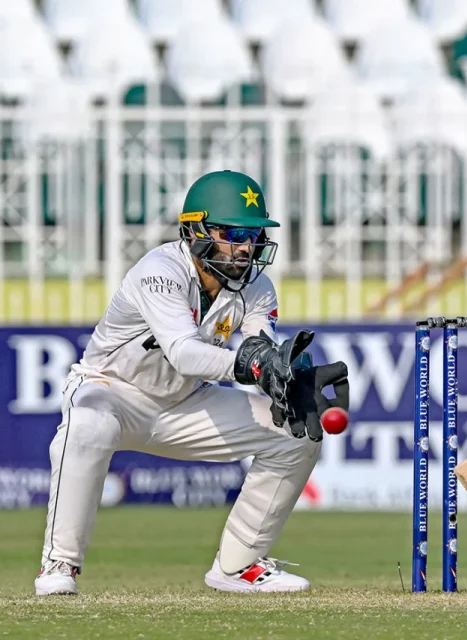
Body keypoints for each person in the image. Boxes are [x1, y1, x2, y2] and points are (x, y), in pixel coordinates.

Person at [35, 170, 350, 596]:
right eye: (233, 232)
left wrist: (285, 380)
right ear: (195, 230)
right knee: (88, 423)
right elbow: (184, 353)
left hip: (185, 404)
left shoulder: (257, 287)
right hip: (112, 391)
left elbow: (260, 351)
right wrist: (252, 367)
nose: (245, 247)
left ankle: (238, 567)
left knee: (294, 435)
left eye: (253, 234)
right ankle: (60, 563)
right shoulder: (159, 270)